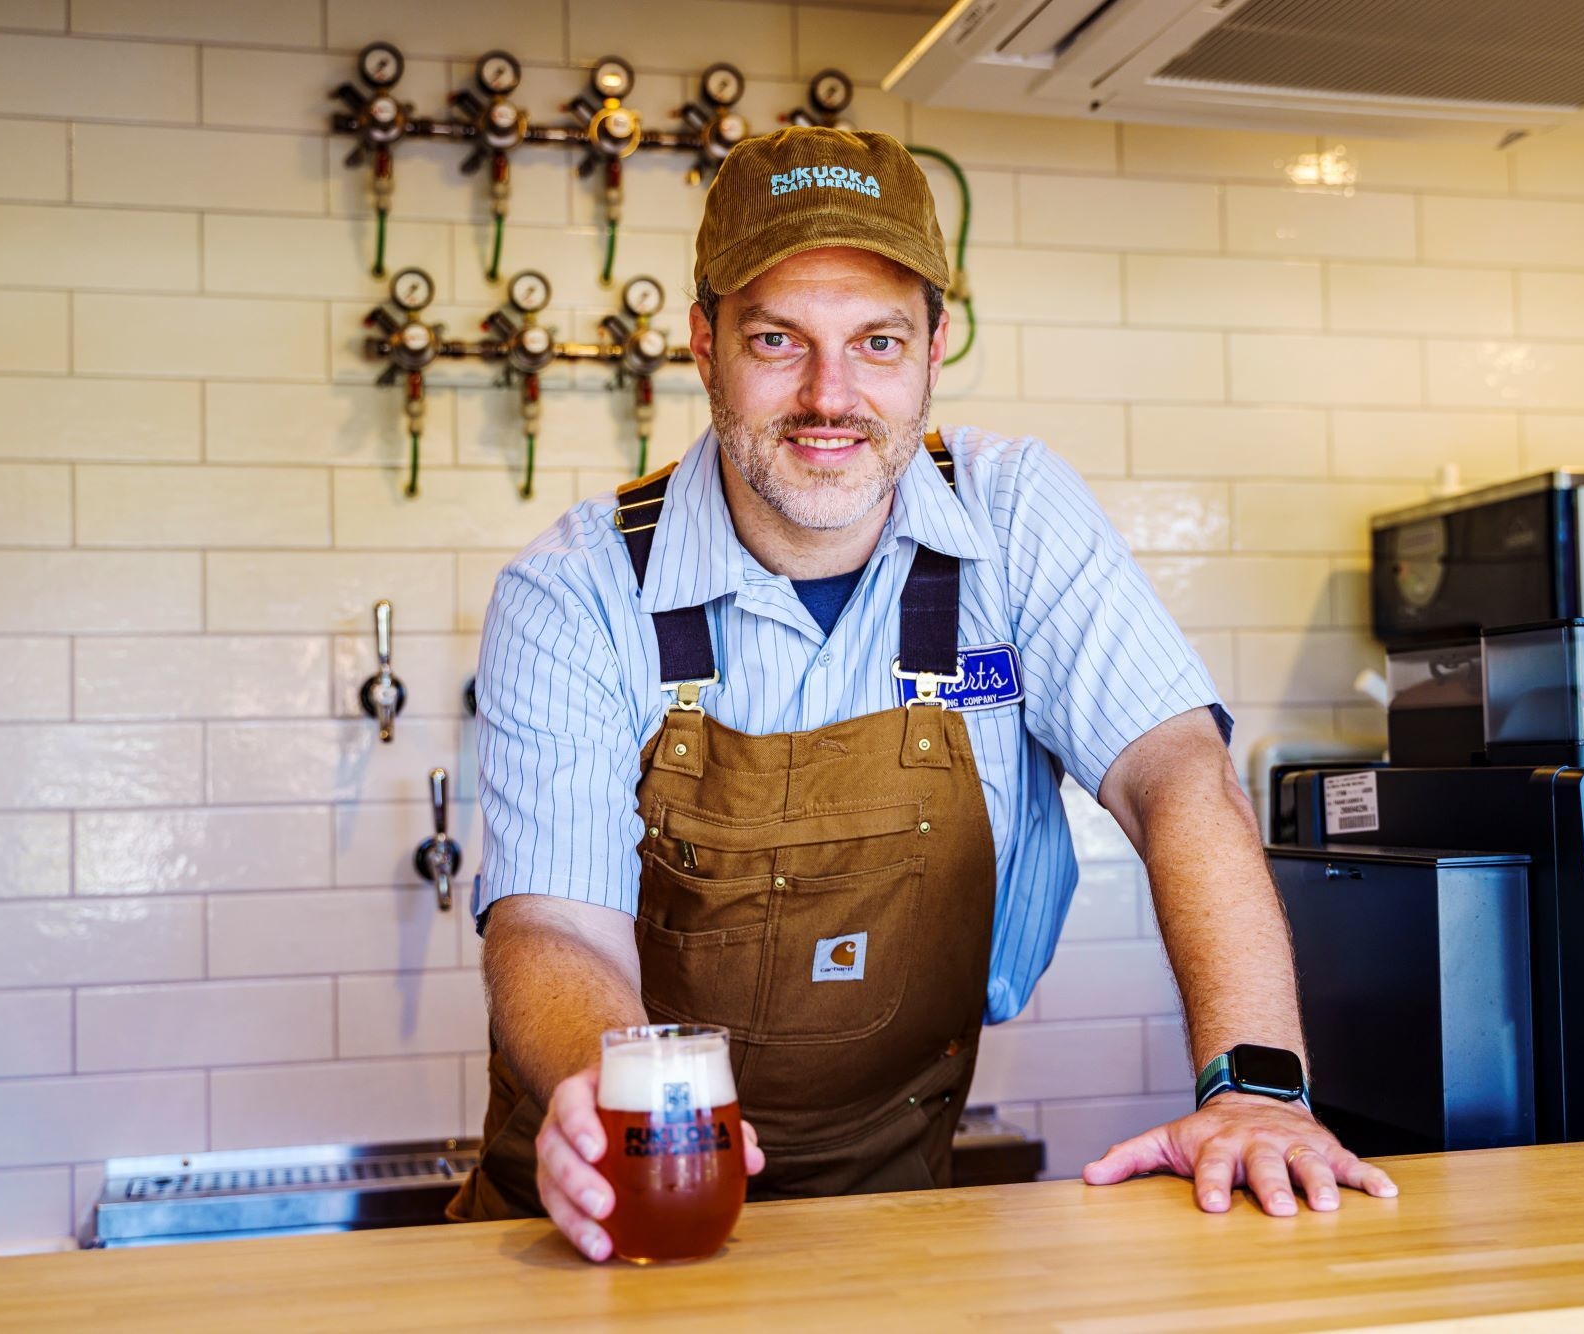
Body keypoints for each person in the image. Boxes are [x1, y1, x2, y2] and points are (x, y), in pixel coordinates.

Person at [448, 126, 1397, 1259]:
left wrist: (1255, 1085)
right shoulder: (576, 591)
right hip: (613, 1208)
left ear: (936, 345)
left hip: (894, 1228)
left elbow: (1174, 774)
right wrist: (627, 1116)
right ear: (702, 343)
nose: (828, 395)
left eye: (878, 340)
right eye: (775, 339)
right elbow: (553, 924)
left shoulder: (1013, 519)